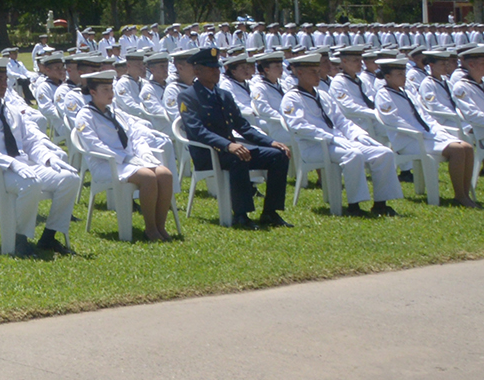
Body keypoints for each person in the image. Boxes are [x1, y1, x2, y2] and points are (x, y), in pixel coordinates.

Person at [0, 58, 82, 255]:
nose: (4, 85)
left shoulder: (11, 110)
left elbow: (31, 142)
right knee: (30, 183)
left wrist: (49, 159)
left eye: (5, 79)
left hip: (24, 168)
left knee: (69, 179)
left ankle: (49, 237)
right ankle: (19, 239)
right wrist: (11, 164)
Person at [177, 46, 291, 228]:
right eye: (211, 68)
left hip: (232, 150)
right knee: (238, 157)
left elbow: (243, 126)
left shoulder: (224, 95)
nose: (216, 72)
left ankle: (270, 212)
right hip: (209, 153)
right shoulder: (188, 96)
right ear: (197, 71)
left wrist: (271, 142)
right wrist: (227, 145)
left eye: (217, 68)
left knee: (278, 155)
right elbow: (197, 131)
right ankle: (241, 214)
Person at [281, 52, 401, 217]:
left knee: (383, 153)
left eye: (318, 71)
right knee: (354, 155)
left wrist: (359, 134)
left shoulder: (323, 95)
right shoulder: (291, 98)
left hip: (340, 142)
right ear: (299, 73)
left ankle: (381, 203)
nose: (318, 75)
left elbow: (341, 121)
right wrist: (330, 137)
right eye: (313, 72)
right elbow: (298, 126)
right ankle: (354, 205)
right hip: (315, 146)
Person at [74, 70, 175, 240]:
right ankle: (150, 228)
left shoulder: (114, 112)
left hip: (130, 161)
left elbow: (134, 134)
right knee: (148, 177)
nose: (111, 94)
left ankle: (160, 226)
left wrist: (145, 153)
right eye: (105, 90)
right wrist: (124, 158)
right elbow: (94, 145)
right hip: (107, 164)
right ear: (93, 92)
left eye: (111, 89)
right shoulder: (85, 116)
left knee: (165, 174)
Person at [374, 57, 477, 206]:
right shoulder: (383, 94)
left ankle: (465, 193)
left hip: (427, 135)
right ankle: (459, 196)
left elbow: (424, 115)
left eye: (403, 73)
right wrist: (421, 132)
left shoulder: (407, 92)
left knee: (466, 147)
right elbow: (393, 120)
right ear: (387, 77)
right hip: (408, 140)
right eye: (398, 74)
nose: (403, 77)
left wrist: (437, 130)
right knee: (457, 151)